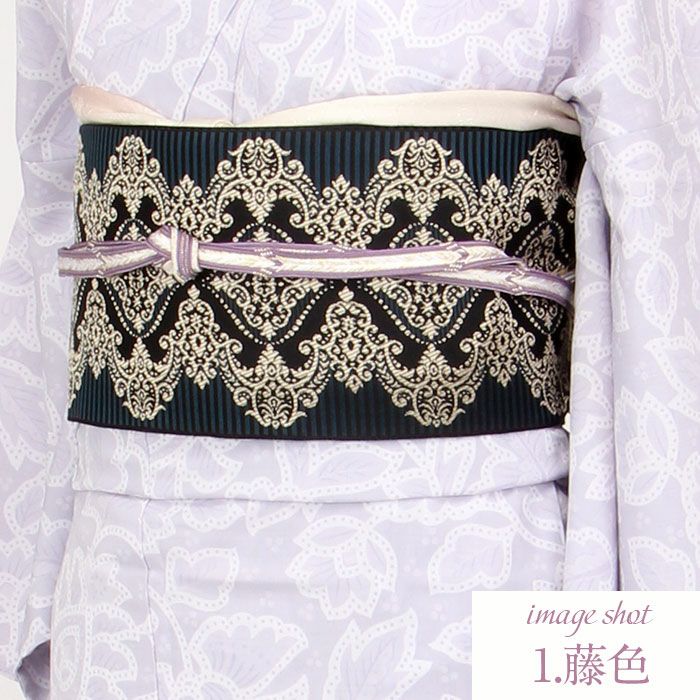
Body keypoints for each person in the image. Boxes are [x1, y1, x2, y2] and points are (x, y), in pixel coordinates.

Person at [0, 1, 697, 698]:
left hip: (466, 550)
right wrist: (27, 576)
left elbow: (662, 265)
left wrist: (646, 630)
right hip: (131, 559)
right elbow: (51, 211)